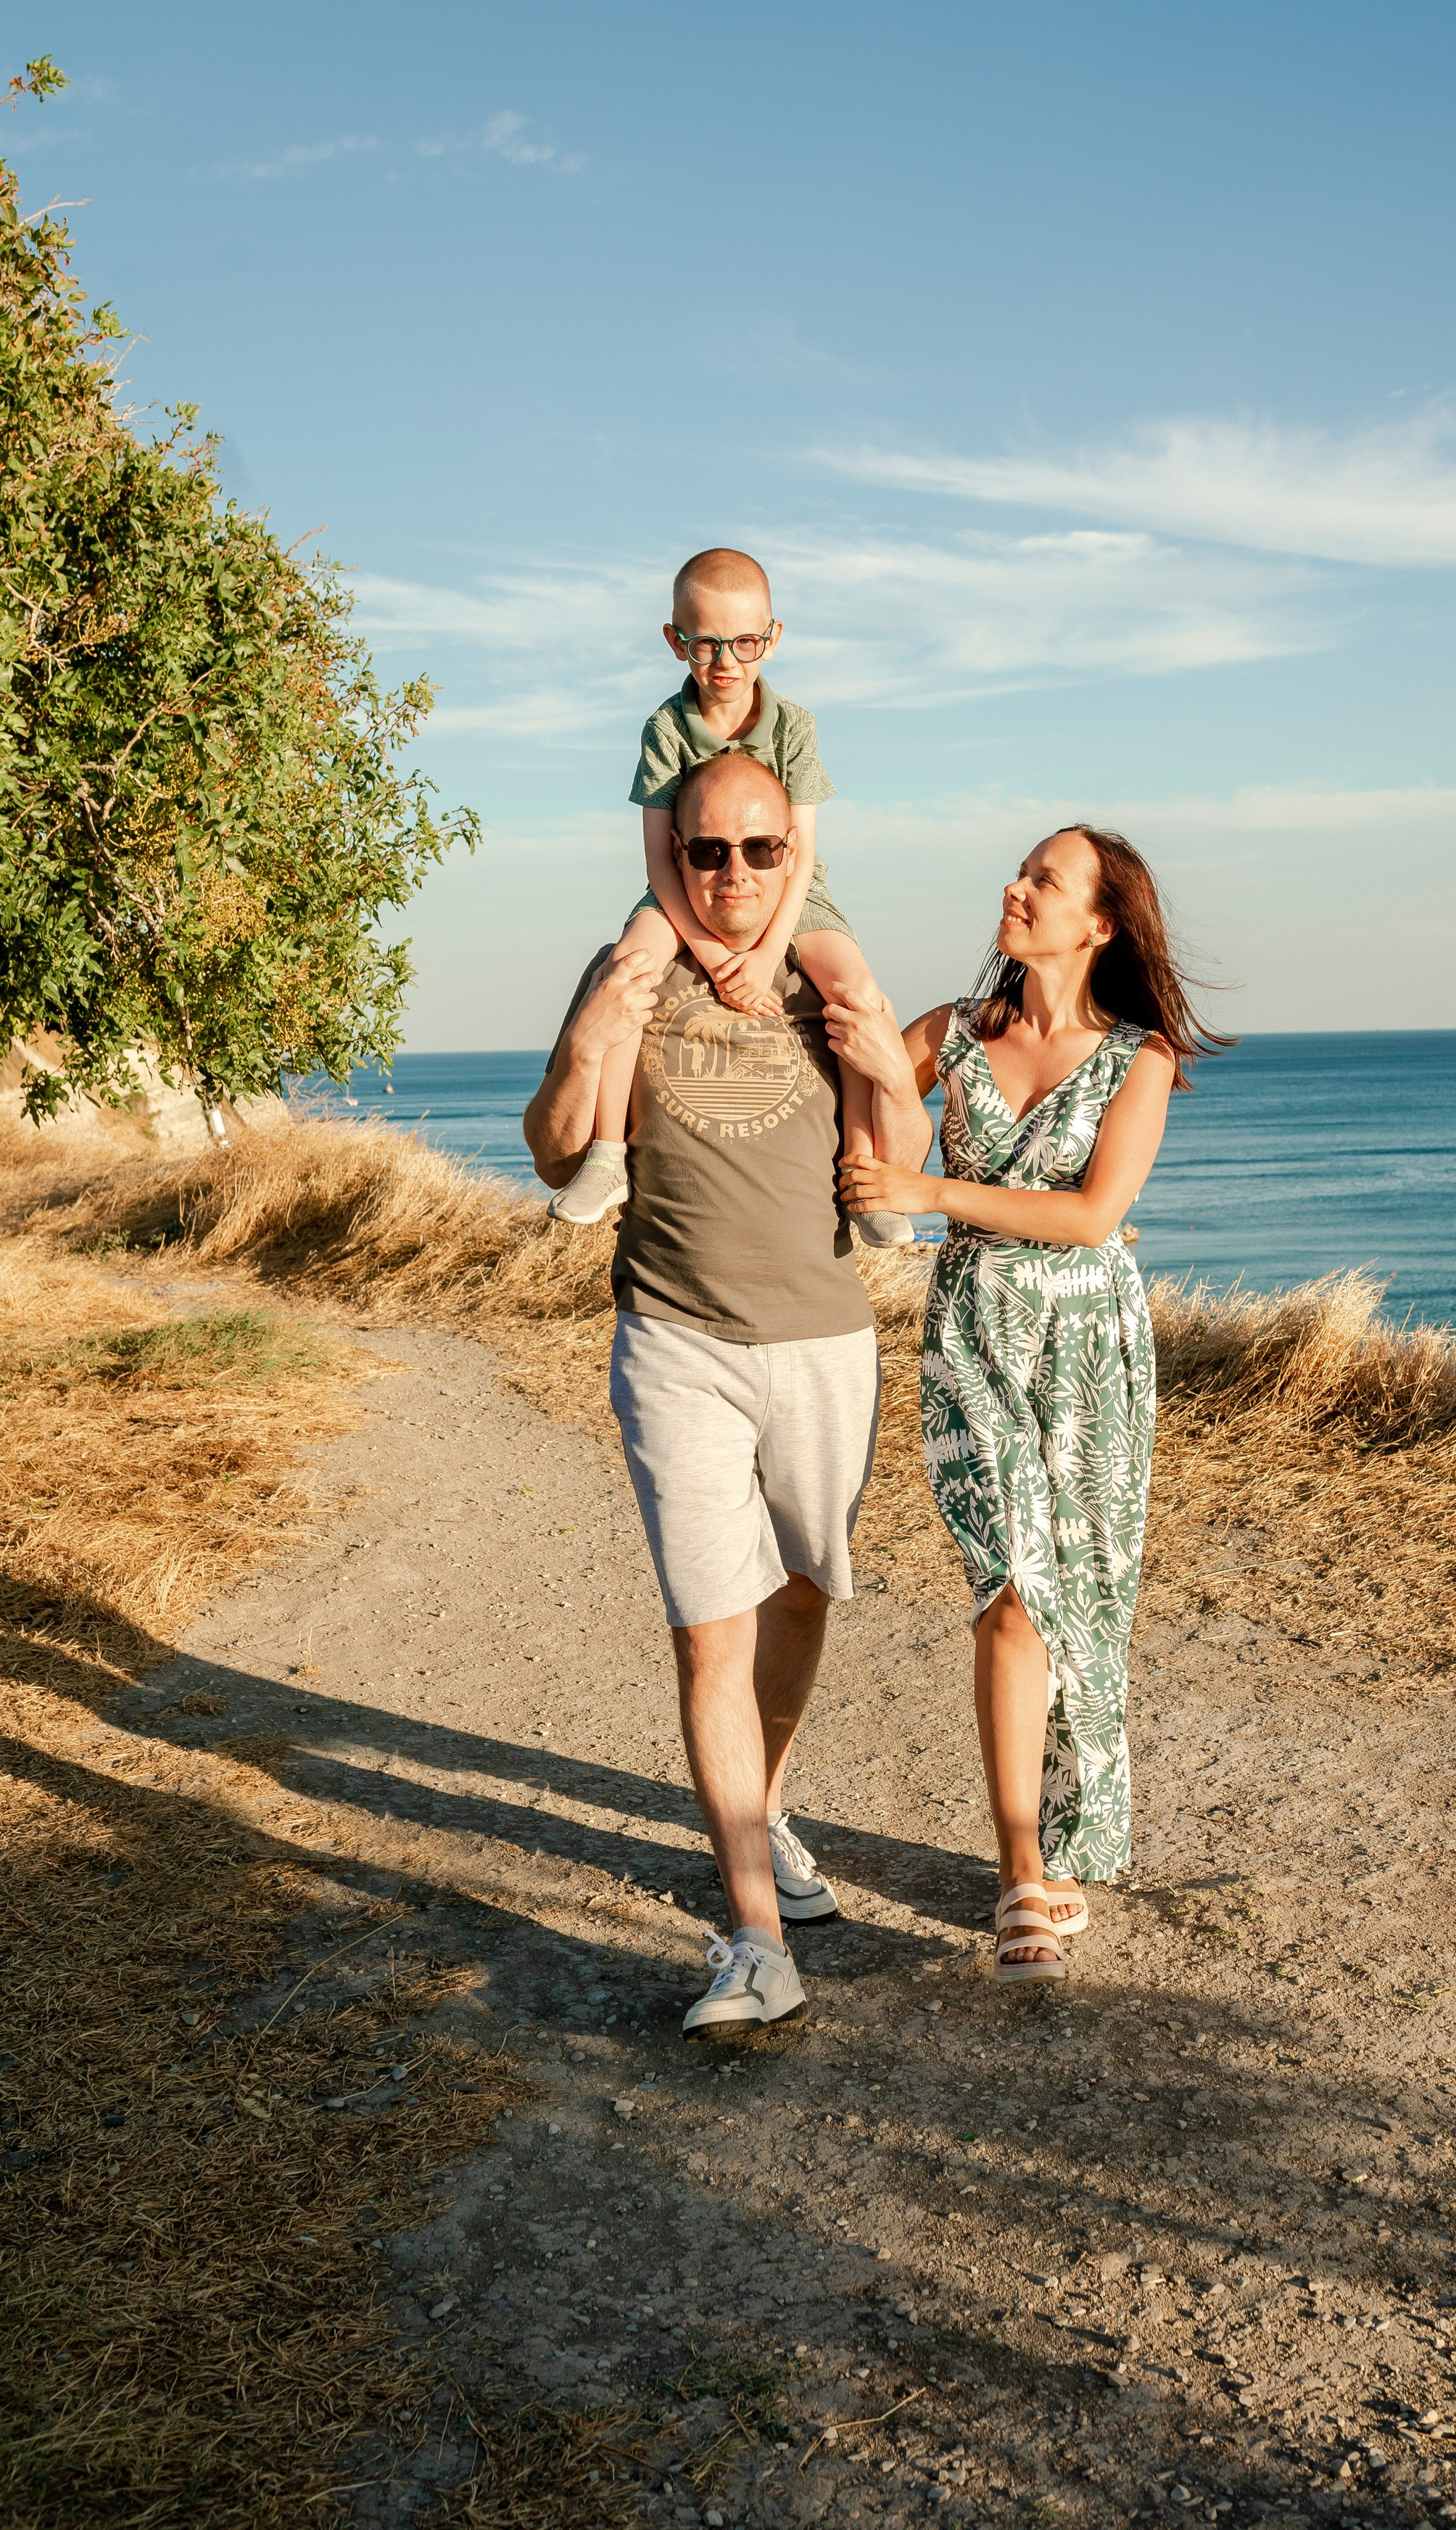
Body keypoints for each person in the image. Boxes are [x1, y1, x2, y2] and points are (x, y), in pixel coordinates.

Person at [523, 751, 931, 2038]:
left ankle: (765, 1804)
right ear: (672, 854)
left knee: (803, 1594)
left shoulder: (825, 976)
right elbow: (550, 1149)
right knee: (711, 1629)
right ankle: (754, 1937)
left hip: (823, 1345)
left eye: (763, 850)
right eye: (710, 852)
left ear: (792, 853)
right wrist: (594, 1033)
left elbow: (900, 1168)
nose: (738, 875)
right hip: (673, 1341)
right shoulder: (629, 970)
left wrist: (891, 1069)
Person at [837, 828, 1225, 1985]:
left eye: (1044, 881)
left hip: (1091, 1342)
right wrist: (861, 1083)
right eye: (1022, 872)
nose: (1016, 888)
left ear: (1099, 923)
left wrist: (928, 1189)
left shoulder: (1140, 1056)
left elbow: (1098, 1215)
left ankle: (1063, 1841)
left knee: (1078, 1597)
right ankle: (1017, 1872)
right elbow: (853, 1109)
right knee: (1011, 1586)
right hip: (973, 1330)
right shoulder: (953, 1034)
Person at [548, 544, 913, 1248]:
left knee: (859, 995)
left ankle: (863, 1171)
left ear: (771, 639)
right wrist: (716, 957)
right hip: (684, 885)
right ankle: (606, 1156)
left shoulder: (795, 726)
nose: (725, 661)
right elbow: (660, 860)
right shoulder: (664, 729)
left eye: (744, 642)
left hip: (795, 892)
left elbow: (802, 852)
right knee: (627, 974)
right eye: (705, 643)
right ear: (674, 640)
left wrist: (772, 946)